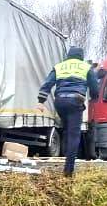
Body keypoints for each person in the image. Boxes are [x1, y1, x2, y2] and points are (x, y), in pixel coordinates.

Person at [38, 45, 100, 177]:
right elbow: (95, 88)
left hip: (60, 102)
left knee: (67, 131)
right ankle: (68, 170)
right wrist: (94, 98)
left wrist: (40, 101)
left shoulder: (60, 66)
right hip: (75, 101)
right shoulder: (86, 67)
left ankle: (67, 157)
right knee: (74, 135)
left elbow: (47, 83)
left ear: (69, 56)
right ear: (81, 56)